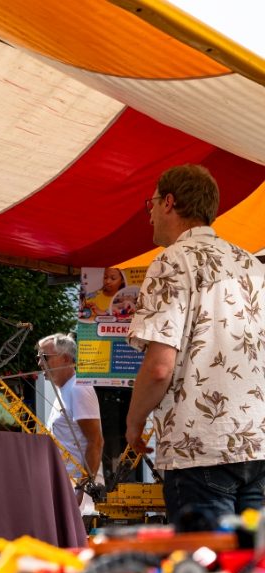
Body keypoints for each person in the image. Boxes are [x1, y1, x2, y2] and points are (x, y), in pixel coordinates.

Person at [126, 163, 265, 526]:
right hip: (259, 444)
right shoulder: (252, 264)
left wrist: (133, 422)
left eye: (152, 203)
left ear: (169, 202)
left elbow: (159, 367)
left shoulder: (172, 261)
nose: (150, 213)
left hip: (199, 447)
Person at [37, 333, 104, 500]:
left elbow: (95, 442)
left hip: (78, 492)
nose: (40, 363)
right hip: (64, 486)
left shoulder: (78, 389)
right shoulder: (64, 389)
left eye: (45, 357)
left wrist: (81, 489)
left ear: (66, 358)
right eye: (38, 358)